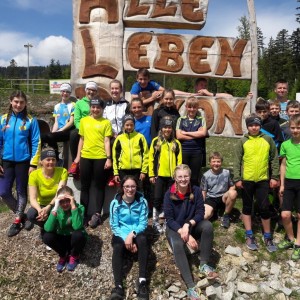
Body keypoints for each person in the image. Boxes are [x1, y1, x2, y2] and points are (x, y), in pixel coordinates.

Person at [164, 164, 218, 300]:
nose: (183, 179)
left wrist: (188, 225)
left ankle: (204, 264)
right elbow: (169, 219)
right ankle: (190, 285)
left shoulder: (196, 190)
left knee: (208, 226)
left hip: (191, 225)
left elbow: (200, 212)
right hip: (174, 228)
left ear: (190, 176)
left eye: (186, 176)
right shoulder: (169, 194)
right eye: (180, 176)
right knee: (177, 243)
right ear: (175, 178)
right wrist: (184, 233)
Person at [233, 114, 279, 252]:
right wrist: (237, 178)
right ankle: (249, 234)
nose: (254, 127)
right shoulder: (242, 141)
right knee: (247, 207)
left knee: (264, 207)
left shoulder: (268, 140)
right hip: (247, 180)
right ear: (247, 127)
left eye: (257, 125)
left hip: (263, 179)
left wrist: (274, 177)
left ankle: (267, 235)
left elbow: (274, 159)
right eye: (251, 125)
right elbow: (237, 161)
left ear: (260, 126)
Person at [0, 90, 41, 237]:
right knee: (3, 191)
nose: (18, 105)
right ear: (11, 102)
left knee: (21, 191)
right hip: (6, 161)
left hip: (24, 162)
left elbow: (37, 142)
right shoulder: (3, 119)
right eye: (16, 102)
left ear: (25, 104)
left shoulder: (31, 120)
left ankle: (17, 220)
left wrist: (33, 163)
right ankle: (22, 214)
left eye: (22, 102)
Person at [73, 98, 112, 228]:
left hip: (100, 157)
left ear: (102, 109)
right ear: (90, 108)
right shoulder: (84, 121)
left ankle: (97, 214)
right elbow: (81, 140)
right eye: (93, 107)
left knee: (99, 186)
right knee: (85, 186)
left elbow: (107, 141)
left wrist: (108, 158)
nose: (95, 109)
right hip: (86, 156)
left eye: (98, 107)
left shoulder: (106, 122)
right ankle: (83, 214)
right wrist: (78, 158)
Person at [109, 175, 149, 300]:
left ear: (136, 187)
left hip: (136, 232)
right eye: (127, 186)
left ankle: (142, 281)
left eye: (133, 186)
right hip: (121, 232)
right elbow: (114, 225)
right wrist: (126, 238)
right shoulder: (115, 203)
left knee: (143, 240)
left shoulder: (142, 201)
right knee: (117, 246)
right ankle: (118, 286)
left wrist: (131, 235)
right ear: (122, 187)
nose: (130, 189)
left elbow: (143, 223)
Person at [149, 116, 182, 233]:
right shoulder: (155, 142)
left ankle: (168, 222)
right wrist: (151, 174)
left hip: (172, 178)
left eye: (169, 127)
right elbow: (150, 159)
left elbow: (179, 162)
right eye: (165, 127)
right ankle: (155, 222)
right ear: (161, 128)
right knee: (157, 198)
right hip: (159, 176)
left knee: (169, 199)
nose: (167, 130)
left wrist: (178, 177)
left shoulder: (176, 143)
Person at [43, 185, 87, 272]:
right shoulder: (56, 209)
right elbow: (47, 228)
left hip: (75, 239)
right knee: (47, 236)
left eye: (68, 200)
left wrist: (74, 207)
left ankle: (74, 255)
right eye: (62, 201)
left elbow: (77, 227)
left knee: (78, 234)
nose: (65, 204)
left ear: (72, 199)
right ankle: (63, 255)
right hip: (62, 237)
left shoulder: (80, 208)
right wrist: (55, 207)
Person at [27, 147, 68, 232]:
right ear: (41, 161)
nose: (51, 162)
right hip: (41, 204)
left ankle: (55, 226)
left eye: (53, 159)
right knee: (31, 214)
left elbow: (59, 194)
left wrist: (49, 206)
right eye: (48, 160)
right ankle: (46, 226)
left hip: (57, 203)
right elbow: (32, 198)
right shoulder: (34, 175)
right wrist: (40, 210)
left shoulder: (62, 171)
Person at [277, 114, 300, 260]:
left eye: (298, 127)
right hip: (289, 183)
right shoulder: (285, 145)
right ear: (289, 128)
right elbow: (283, 165)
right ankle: (291, 239)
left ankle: (298, 244)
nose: (296, 130)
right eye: (293, 127)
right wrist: (282, 184)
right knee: (285, 214)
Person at [201, 152, 237, 228]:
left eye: (218, 161)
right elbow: (203, 191)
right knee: (205, 216)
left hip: (223, 197)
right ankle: (214, 212)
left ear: (221, 162)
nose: (216, 164)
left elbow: (232, 186)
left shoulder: (226, 173)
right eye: (213, 161)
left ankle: (226, 215)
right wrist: (201, 205)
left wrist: (229, 193)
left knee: (233, 193)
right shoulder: (206, 175)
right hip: (211, 198)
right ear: (210, 163)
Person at [176, 97, 207, 186]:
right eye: (190, 107)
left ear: (197, 108)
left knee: (194, 177)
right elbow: (179, 136)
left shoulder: (201, 119)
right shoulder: (181, 120)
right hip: (184, 151)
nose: (192, 109)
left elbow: (203, 133)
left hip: (197, 151)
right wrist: (196, 134)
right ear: (186, 107)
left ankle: (194, 196)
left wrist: (186, 133)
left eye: (194, 107)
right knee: (183, 175)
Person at [69, 81, 98, 173]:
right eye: (89, 89)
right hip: (82, 127)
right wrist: (83, 130)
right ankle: (75, 162)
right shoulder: (79, 103)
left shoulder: (99, 102)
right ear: (86, 90)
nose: (91, 92)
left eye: (93, 90)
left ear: (96, 92)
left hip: (96, 127)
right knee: (73, 134)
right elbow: (77, 120)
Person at [42, 83, 75, 160]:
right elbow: (56, 122)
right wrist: (53, 132)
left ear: (70, 93)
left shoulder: (73, 105)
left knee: (51, 136)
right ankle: (42, 158)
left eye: (67, 92)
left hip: (68, 130)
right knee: (42, 136)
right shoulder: (56, 106)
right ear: (60, 92)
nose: (65, 93)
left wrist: (60, 130)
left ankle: (56, 157)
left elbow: (71, 122)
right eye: (63, 91)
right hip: (59, 130)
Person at [112, 114, 149, 184]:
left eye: (131, 125)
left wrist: (144, 171)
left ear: (134, 125)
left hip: (137, 170)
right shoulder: (119, 138)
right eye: (127, 125)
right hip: (123, 170)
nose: (129, 127)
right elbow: (115, 157)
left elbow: (146, 155)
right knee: (124, 190)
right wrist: (116, 173)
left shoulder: (140, 137)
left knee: (137, 190)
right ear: (123, 125)